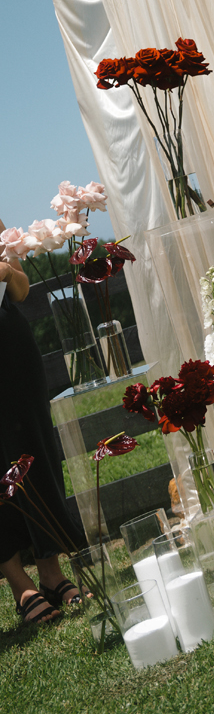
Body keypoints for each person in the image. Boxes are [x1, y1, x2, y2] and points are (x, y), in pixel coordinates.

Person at [0, 228, 87, 623]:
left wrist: (3, 271)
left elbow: (20, 289)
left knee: (35, 452)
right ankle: (21, 586)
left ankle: (51, 574)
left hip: (12, 349)